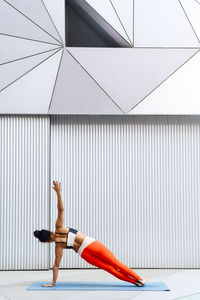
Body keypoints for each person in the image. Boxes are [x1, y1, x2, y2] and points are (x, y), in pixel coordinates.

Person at [34, 181, 148, 287]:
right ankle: (139, 278)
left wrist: (53, 283)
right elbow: (61, 210)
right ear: (49, 231)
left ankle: (135, 282)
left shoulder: (58, 246)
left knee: (109, 268)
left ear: (47, 242)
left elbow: (56, 266)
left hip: (84, 254)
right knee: (115, 263)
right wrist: (58, 193)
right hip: (91, 245)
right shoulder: (59, 228)